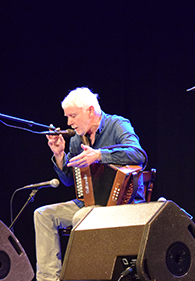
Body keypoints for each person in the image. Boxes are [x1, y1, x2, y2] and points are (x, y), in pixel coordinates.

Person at [34, 87, 146, 281]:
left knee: (81, 216)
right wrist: (59, 154)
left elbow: (139, 154)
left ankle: (86, 276)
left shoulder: (118, 125)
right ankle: (49, 279)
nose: (69, 122)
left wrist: (100, 155)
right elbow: (69, 180)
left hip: (121, 205)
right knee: (43, 214)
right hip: (89, 203)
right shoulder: (78, 139)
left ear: (91, 110)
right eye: (67, 117)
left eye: (73, 116)